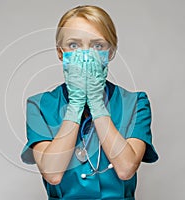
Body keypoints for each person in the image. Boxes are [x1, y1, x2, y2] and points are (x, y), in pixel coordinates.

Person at [21, 5, 158, 199]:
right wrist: (76, 105)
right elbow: (52, 174)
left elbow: (126, 169)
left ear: (110, 52)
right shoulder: (40, 105)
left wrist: (96, 102)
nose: (85, 55)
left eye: (97, 46)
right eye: (74, 45)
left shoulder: (135, 103)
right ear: (60, 52)